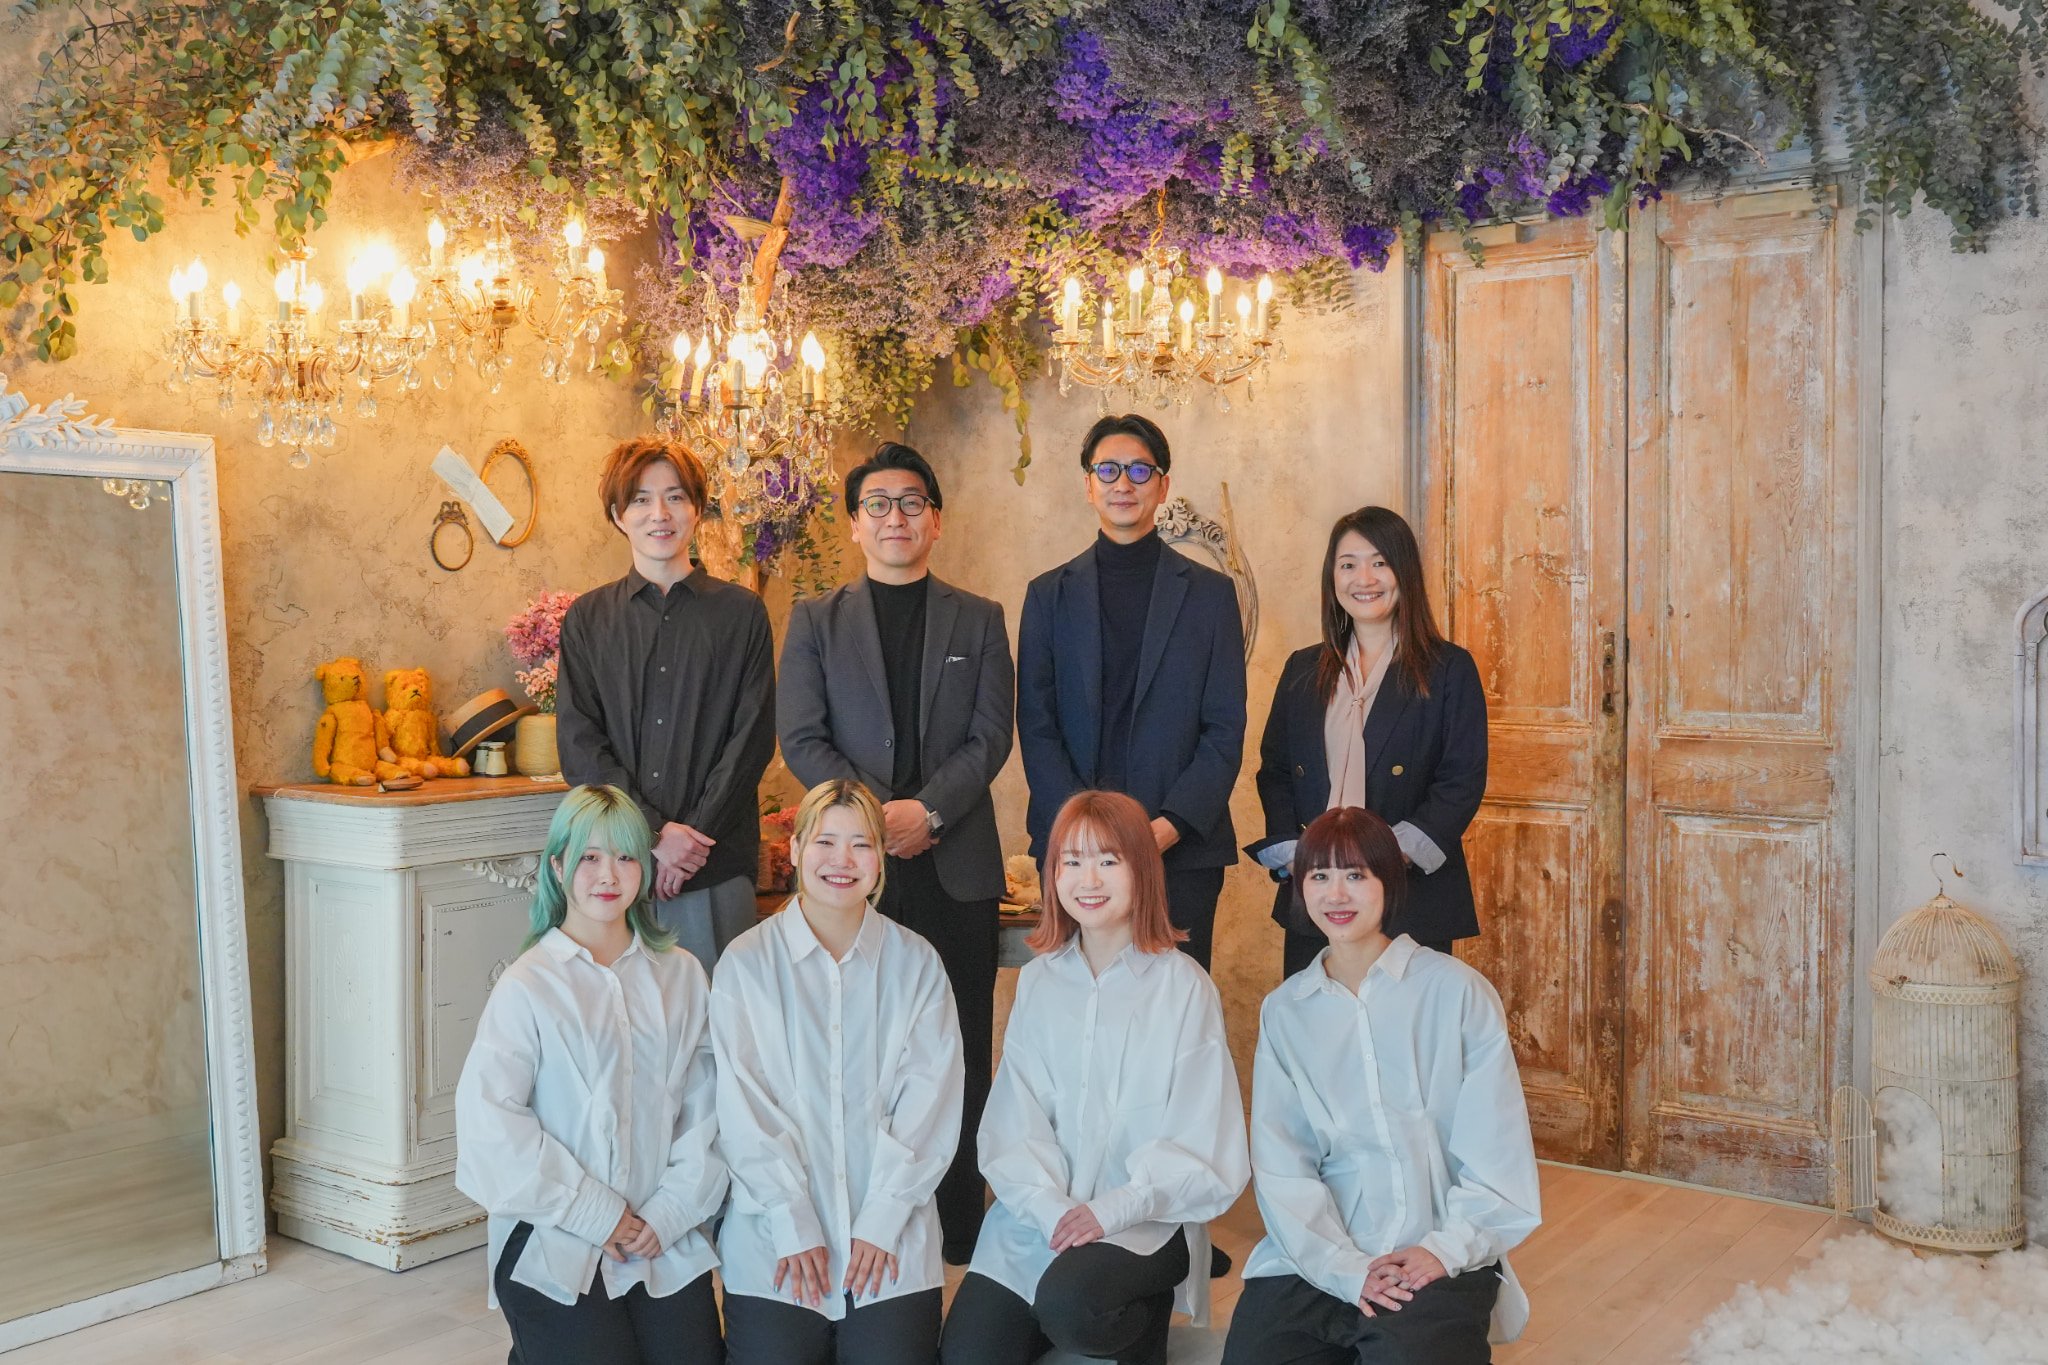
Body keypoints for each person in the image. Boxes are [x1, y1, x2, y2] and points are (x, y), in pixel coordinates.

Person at [777, 440, 1014, 1265]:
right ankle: (865, 1211)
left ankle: (960, 1221)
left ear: (936, 520)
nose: (894, 517)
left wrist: (930, 809)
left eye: (911, 502)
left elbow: (991, 736)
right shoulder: (815, 620)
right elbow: (801, 735)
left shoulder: (980, 617)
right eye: (876, 504)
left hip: (956, 863)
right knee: (861, 1046)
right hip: (854, 867)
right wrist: (875, 821)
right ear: (854, 524)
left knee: (960, 1044)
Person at [940, 791, 1249, 1365]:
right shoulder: (1039, 981)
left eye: (1109, 860)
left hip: (1144, 1221)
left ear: (1142, 869)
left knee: (1075, 1308)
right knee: (966, 1357)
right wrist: (1050, 1208)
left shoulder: (1183, 987)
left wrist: (1110, 1211)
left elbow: (1203, 1139)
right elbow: (1014, 1120)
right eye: (1072, 860)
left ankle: (1139, 1310)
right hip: (1042, 1219)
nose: (1089, 879)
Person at [1223, 806, 1539, 1365]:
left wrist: (1444, 1250)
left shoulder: (1456, 991)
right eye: (1319, 876)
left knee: (1405, 1351)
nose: (1336, 894)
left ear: (1389, 882)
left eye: (1356, 874)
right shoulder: (1286, 1009)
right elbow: (1283, 1163)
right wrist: (1343, 1267)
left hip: (1435, 1250)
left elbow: (1498, 1154)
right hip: (1322, 1257)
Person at [455, 784, 727, 1365]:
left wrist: (672, 1210)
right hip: (552, 1233)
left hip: (661, 1231)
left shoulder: (682, 975)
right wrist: (595, 1214)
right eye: (589, 857)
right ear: (558, 867)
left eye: (626, 856)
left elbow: (707, 1109)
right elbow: (490, 1126)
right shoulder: (527, 985)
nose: (608, 875)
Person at [711, 779, 965, 1365]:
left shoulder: (917, 964)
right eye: (825, 842)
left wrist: (883, 1218)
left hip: (890, 1241)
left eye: (861, 844)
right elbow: (743, 1109)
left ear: (882, 858)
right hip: (775, 1240)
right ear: (797, 849)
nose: (842, 861)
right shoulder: (746, 964)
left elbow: (930, 1104)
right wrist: (791, 1218)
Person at [1017, 414, 1247, 971]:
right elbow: (1037, 725)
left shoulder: (1211, 595)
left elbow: (1224, 728)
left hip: (1181, 849)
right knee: (1079, 1001)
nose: (1124, 483)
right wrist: (1081, 835)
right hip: (1074, 855)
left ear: (1163, 485)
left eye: (1140, 470)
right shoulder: (1047, 595)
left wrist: (1167, 826)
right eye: (1109, 470)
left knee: (1173, 1004)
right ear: (1088, 484)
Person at [557, 436, 777, 972]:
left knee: (717, 1013)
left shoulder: (742, 613)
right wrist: (652, 834)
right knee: (613, 1014)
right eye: (641, 499)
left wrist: (690, 844)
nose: (660, 513)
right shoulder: (588, 618)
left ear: (697, 509)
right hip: (613, 864)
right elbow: (580, 744)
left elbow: (750, 741)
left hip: (714, 863)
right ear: (618, 515)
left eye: (675, 497)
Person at [1251, 506, 1487, 976]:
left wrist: (1385, 857)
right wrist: (1302, 856)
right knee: (1315, 1013)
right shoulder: (1302, 668)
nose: (1364, 579)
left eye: (1380, 562)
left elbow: (1460, 781)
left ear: (1404, 572)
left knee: (1407, 1017)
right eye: (1348, 564)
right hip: (1318, 892)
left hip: (1409, 893)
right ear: (1332, 577)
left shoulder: (1448, 669)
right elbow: (1275, 771)